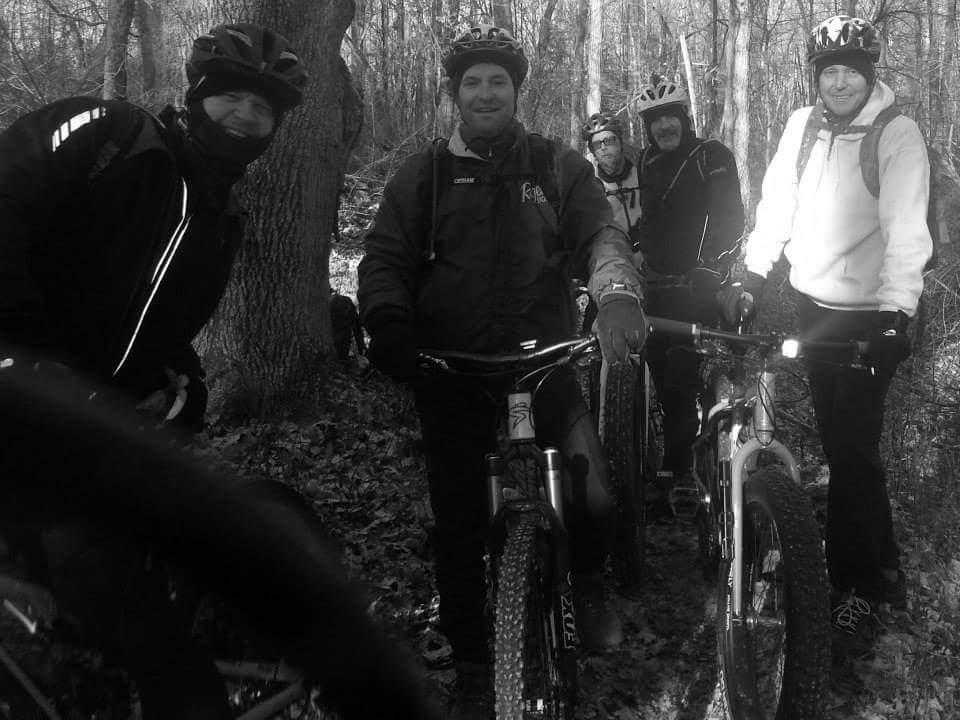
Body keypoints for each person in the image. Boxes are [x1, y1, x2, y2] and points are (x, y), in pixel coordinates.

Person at [0, 23, 442, 719]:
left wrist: (188, 386)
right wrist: (23, 354)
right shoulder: (109, 136)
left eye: (263, 108)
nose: (244, 115)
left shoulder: (219, 221)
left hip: (96, 438)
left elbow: (166, 332)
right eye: (231, 96)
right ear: (196, 93)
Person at [357, 24, 647, 719]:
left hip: (543, 362)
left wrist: (615, 293)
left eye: (498, 82)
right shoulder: (424, 175)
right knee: (459, 525)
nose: (485, 93)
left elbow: (601, 233)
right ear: (454, 94)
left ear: (516, 92)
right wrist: (388, 321)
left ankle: (586, 582)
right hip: (451, 367)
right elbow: (385, 256)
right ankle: (471, 663)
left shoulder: (554, 165)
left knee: (594, 495)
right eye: (472, 83)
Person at [722, 15, 931, 648]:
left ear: (869, 76)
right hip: (814, 306)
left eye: (851, 73)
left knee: (851, 449)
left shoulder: (896, 133)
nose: (839, 83)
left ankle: (856, 588)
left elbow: (906, 229)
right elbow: (777, 206)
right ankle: (885, 572)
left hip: (872, 315)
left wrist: (897, 314)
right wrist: (753, 276)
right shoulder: (802, 126)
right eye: (828, 72)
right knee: (846, 446)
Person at [633, 79, 745, 513]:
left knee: (684, 378)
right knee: (661, 380)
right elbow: (643, 218)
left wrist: (710, 267)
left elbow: (730, 217)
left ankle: (681, 470)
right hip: (655, 289)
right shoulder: (644, 161)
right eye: (655, 120)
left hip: (697, 288)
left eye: (671, 117)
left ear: (685, 117)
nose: (664, 126)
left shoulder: (710, 156)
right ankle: (677, 459)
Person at [581, 111, 642, 248]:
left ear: (620, 142)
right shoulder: (589, 188)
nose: (603, 148)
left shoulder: (642, 175)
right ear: (593, 152)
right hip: (615, 256)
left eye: (609, 141)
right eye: (597, 144)